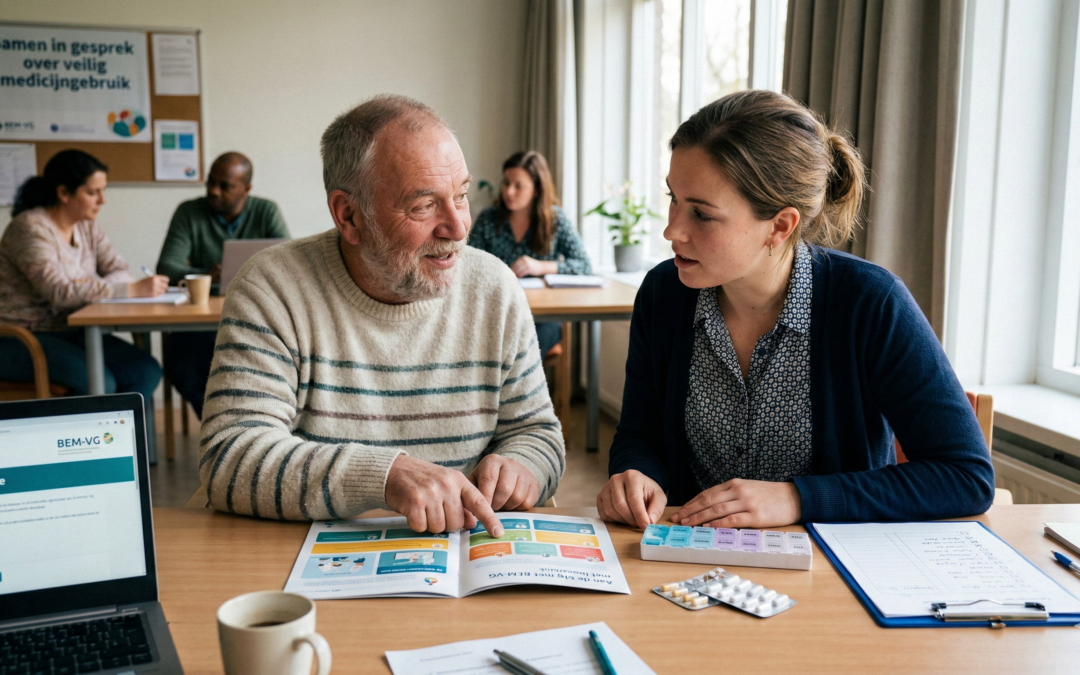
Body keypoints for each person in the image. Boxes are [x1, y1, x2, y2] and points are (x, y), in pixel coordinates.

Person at [597, 90, 995, 530]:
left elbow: (966, 476)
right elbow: (639, 433)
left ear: (780, 226)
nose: (673, 229)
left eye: (702, 215)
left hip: (831, 571)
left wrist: (797, 499)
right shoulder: (663, 293)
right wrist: (635, 473)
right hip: (691, 563)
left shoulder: (870, 303)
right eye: (673, 199)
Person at [198, 95, 565, 535]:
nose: (459, 228)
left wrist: (523, 467)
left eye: (462, 196)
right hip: (318, 568)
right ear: (348, 215)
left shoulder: (495, 288)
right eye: (425, 206)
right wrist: (384, 476)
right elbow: (229, 457)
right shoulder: (271, 289)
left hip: (467, 559)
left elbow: (538, 433)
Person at [0, 149, 168, 429]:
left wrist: (86, 286)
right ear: (64, 193)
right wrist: (126, 290)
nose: (102, 200)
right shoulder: (29, 228)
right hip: (20, 337)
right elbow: (58, 292)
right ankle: (82, 458)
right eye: (93, 192)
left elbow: (120, 270)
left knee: (145, 371)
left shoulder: (89, 227)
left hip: (74, 329)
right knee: (100, 381)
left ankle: (119, 451)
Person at [156, 152, 290, 419]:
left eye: (225, 186)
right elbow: (167, 267)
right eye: (210, 182)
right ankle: (216, 425)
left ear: (246, 189)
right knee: (183, 363)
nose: (213, 191)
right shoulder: (189, 212)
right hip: (198, 322)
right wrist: (207, 274)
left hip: (253, 314)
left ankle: (247, 427)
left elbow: (286, 263)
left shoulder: (266, 211)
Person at [468, 151, 591, 357]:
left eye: (518, 185)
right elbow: (469, 264)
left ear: (536, 189)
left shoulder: (555, 220)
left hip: (543, 317)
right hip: (498, 312)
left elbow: (584, 266)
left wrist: (541, 266)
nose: (509, 191)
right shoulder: (489, 219)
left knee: (525, 348)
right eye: (506, 183)